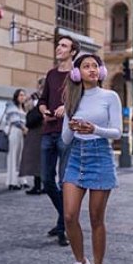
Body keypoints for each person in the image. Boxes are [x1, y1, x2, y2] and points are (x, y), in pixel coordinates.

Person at [62, 54, 122, 264]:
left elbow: (117, 132)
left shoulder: (110, 96)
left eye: (95, 66)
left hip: (100, 155)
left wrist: (93, 128)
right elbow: (65, 140)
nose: (92, 69)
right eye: (86, 66)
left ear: (101, 71)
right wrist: (69, 125)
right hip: (76, 155)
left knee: (97, 218)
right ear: (77, 73)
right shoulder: (72, 98)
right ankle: (81, 263)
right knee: (69, 215)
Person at [38, 35, 80, 247]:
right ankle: (64, 218)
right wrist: (43, 109)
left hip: (65, 134)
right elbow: (42, 99)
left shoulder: (76, 76)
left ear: (72, 52)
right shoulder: (51, 74)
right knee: (46, 180)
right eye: (59, 44)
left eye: (64, 45)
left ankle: (63, 228)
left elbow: (81, 102)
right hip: (48, 130)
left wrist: (67, 107)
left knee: (65, 182)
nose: (59, 48)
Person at [19, 78, 45, 195]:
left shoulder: (38, 98)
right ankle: (41, 185)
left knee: (38, 160)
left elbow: (28, 109)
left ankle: (39, 186)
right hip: (40, 131)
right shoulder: (37, 97)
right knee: (40, 160)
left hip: (38, 131)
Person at [5, 89, 28, 190]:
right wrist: (24, 128)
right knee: (13, 157)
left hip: (22, 134)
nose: (22, 97)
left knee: (21, 158)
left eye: (24, 95)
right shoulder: (11, 106)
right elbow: (15, 121)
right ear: (16, 96)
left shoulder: (23, 108)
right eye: (20, 95)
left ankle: (22, 180)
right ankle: (12, 182)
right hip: (15, 132)